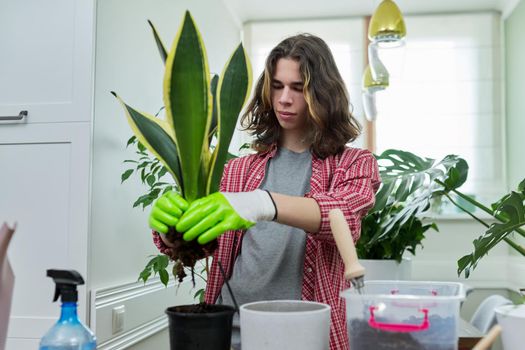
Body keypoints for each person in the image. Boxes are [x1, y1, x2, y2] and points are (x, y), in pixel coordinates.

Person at [149, 34, 381, 350]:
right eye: (277, 85)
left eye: (298, 88)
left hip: (304, 334)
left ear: (324, 93)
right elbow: (200, 246)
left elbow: (344, 216)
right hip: (229, 331)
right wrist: (170, 230)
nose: (285, 98)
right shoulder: (236, 170)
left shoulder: (353, 163)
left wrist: (263, 202)